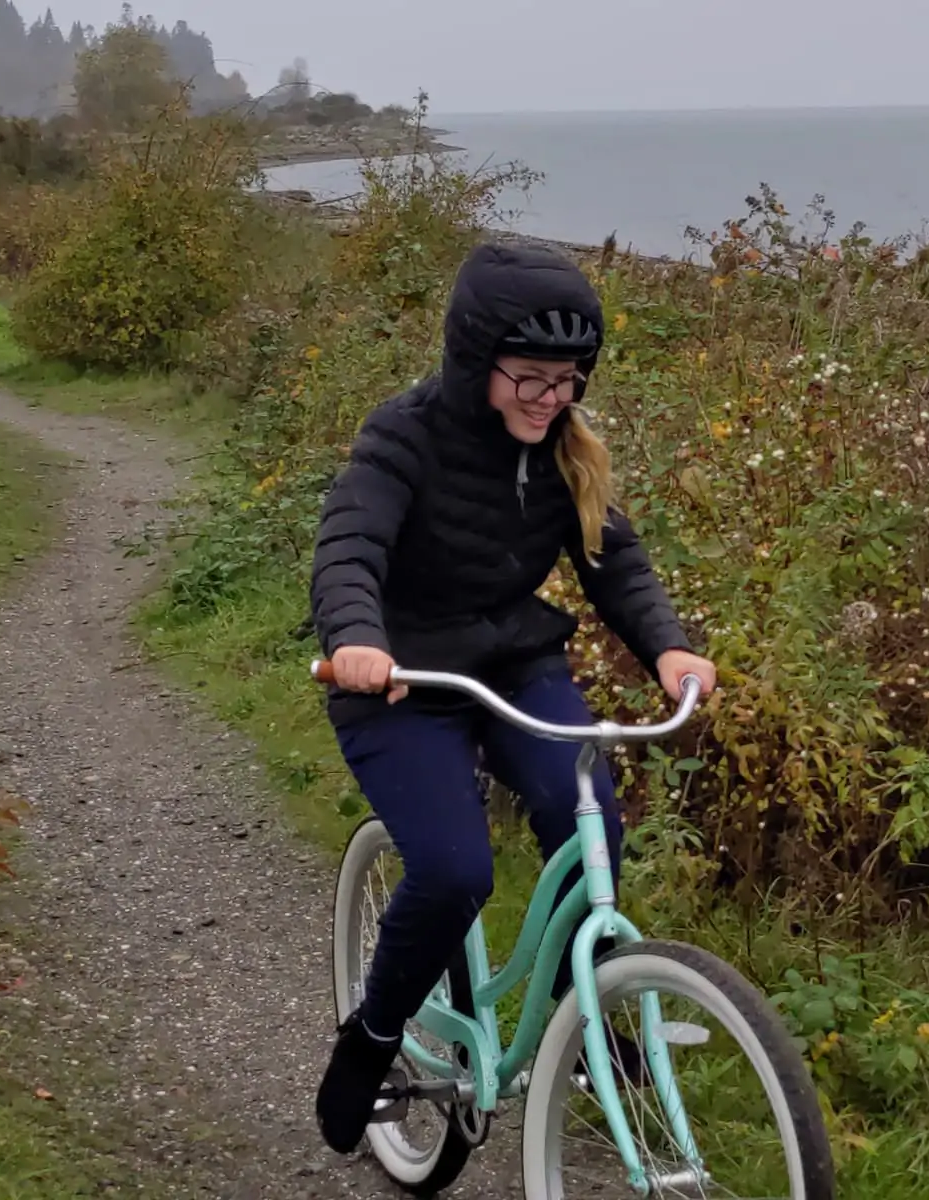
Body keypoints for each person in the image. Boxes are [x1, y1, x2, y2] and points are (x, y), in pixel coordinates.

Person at [309, 240, 717, 1155]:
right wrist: (358, 640)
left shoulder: (567, 449)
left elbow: (617, 564)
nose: (549, 397)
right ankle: (371, 1040)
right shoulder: (403, 437)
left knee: (590, 827)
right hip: (405, 678)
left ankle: (588, 1020)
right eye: (528, 377)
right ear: (472, 361)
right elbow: (351, 545)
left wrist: (672, 649)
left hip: (511, 663)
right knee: (455, 872)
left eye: (567, 379)